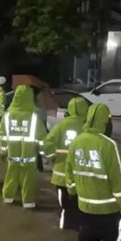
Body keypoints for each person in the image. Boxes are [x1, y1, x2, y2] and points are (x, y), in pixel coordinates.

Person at [65, 103, 121, 241]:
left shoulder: (76, 141)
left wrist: (72, 191)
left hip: (85, 206)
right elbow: (117, 179)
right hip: (109, 209)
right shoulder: (108, 145)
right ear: (104, 121)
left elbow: (69, 172)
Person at [43, 97, 89, 230]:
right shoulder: (88, 127)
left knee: (66, 207)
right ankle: (81, 229)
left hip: (61, 176)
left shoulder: (61, 125)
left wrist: (52, 157)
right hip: (82, 177)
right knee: (82, 206)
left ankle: (67, 232)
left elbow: (47, 143)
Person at [0, 85, 47, 209]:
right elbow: (42, 138)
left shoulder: (7, 116)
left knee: (11, 175)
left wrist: (3, 151)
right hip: (29, 156)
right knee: (28, 178)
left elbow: (2, 135)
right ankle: (28, 202)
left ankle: (8, 198)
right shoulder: (34, 117)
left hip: (12, 155)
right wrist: (44, 153)